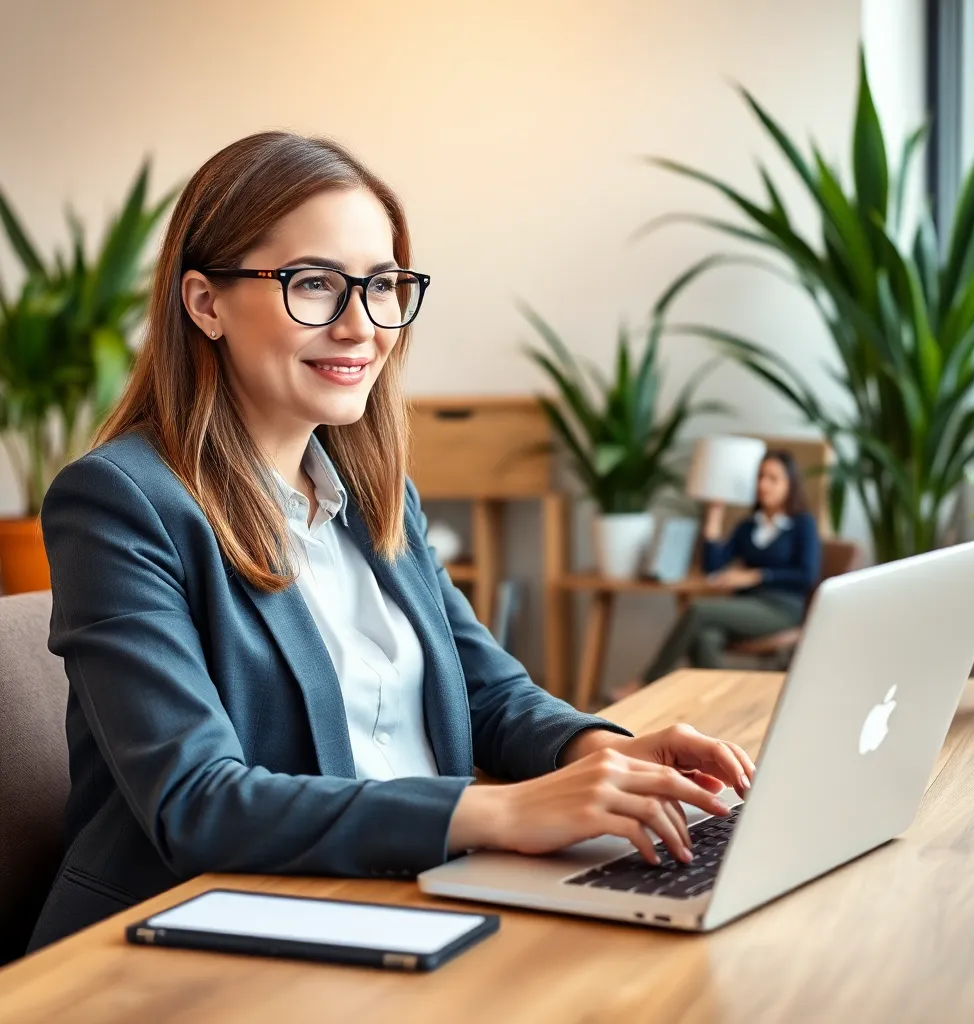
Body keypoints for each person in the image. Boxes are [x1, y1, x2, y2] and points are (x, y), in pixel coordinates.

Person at [28, 132, 756, 950]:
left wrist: (598, 754)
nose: (361, 326)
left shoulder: (375, 492)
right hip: (188, 942)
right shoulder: (122, 502)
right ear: (205, 304)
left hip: (405, 897)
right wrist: (501, 812)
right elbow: (198, 802)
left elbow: (486, 693)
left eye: (381, 286)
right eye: (314, 284)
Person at [614, 450, 821, 699]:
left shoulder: (802, 524)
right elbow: (712, 567)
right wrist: (715, 514)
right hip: (746, 606)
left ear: (790, 484)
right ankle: (726, 701)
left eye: (773, 478)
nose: (763, 485)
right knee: (705, 636)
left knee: (698, 610)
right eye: (760, 477)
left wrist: (756, 576)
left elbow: (807, 575)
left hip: (782, 609)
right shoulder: (748, 526)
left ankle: (647, 681)